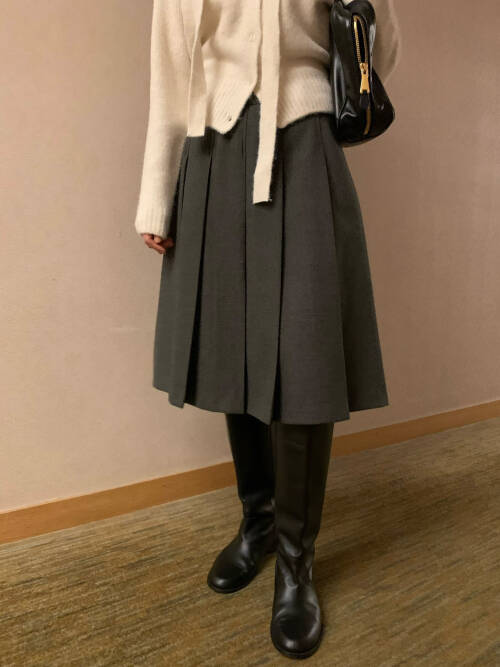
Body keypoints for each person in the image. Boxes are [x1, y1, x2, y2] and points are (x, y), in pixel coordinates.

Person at [134, 0, 401, 659]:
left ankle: (295, 562)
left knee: (303, 358)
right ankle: (257, 521)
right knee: (232, 347)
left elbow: (380, 52)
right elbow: (171, 71)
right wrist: (157, 194)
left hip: (305, 142)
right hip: (213, 151)